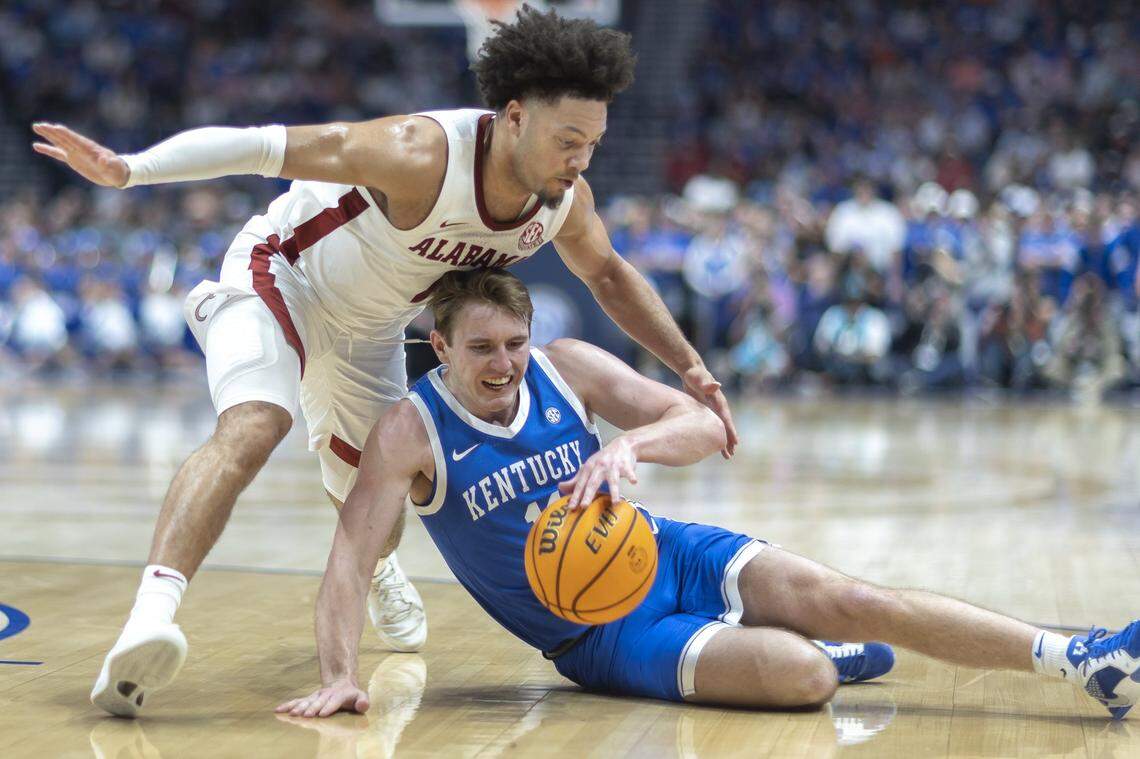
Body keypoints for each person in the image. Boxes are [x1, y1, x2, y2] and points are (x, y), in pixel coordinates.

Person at [31, 6, 737, 717]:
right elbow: (262, 145)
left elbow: (610, 275)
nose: (582, 159)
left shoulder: (560, 200)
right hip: (281, 275)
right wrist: (130, 170)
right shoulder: (418, 153)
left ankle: (382, 568)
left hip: (373, 331)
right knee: (255, 424)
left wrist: (690, 367)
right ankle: (150, 618)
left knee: (381, 514)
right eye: (569, 140)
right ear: (516, 117)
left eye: (593, 142)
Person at [279, 269, 1139, 719]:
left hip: (669, 549)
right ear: (440, 344)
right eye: (482, 349)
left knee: (852, 595)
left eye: (514, 342)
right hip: (602, 637)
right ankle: (821, 654)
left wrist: (629, 444)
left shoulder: (566, 369)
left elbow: (704, 424)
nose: (503, 364)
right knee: (804, 677)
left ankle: (1079, 656)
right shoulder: (412, 431)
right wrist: (339, 676)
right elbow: (350, 560)